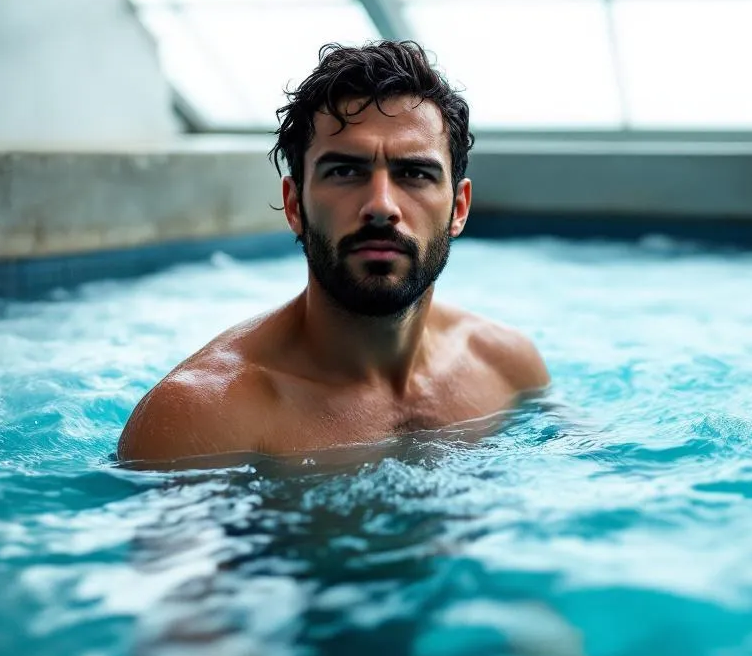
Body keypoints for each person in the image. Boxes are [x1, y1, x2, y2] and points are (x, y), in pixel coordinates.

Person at [117, 41, 549, 464]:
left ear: (459, 208)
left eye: (415, 173)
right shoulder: (202, 420)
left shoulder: (508, 368)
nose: (381, 206)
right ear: (294, 205)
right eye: (345, 171)